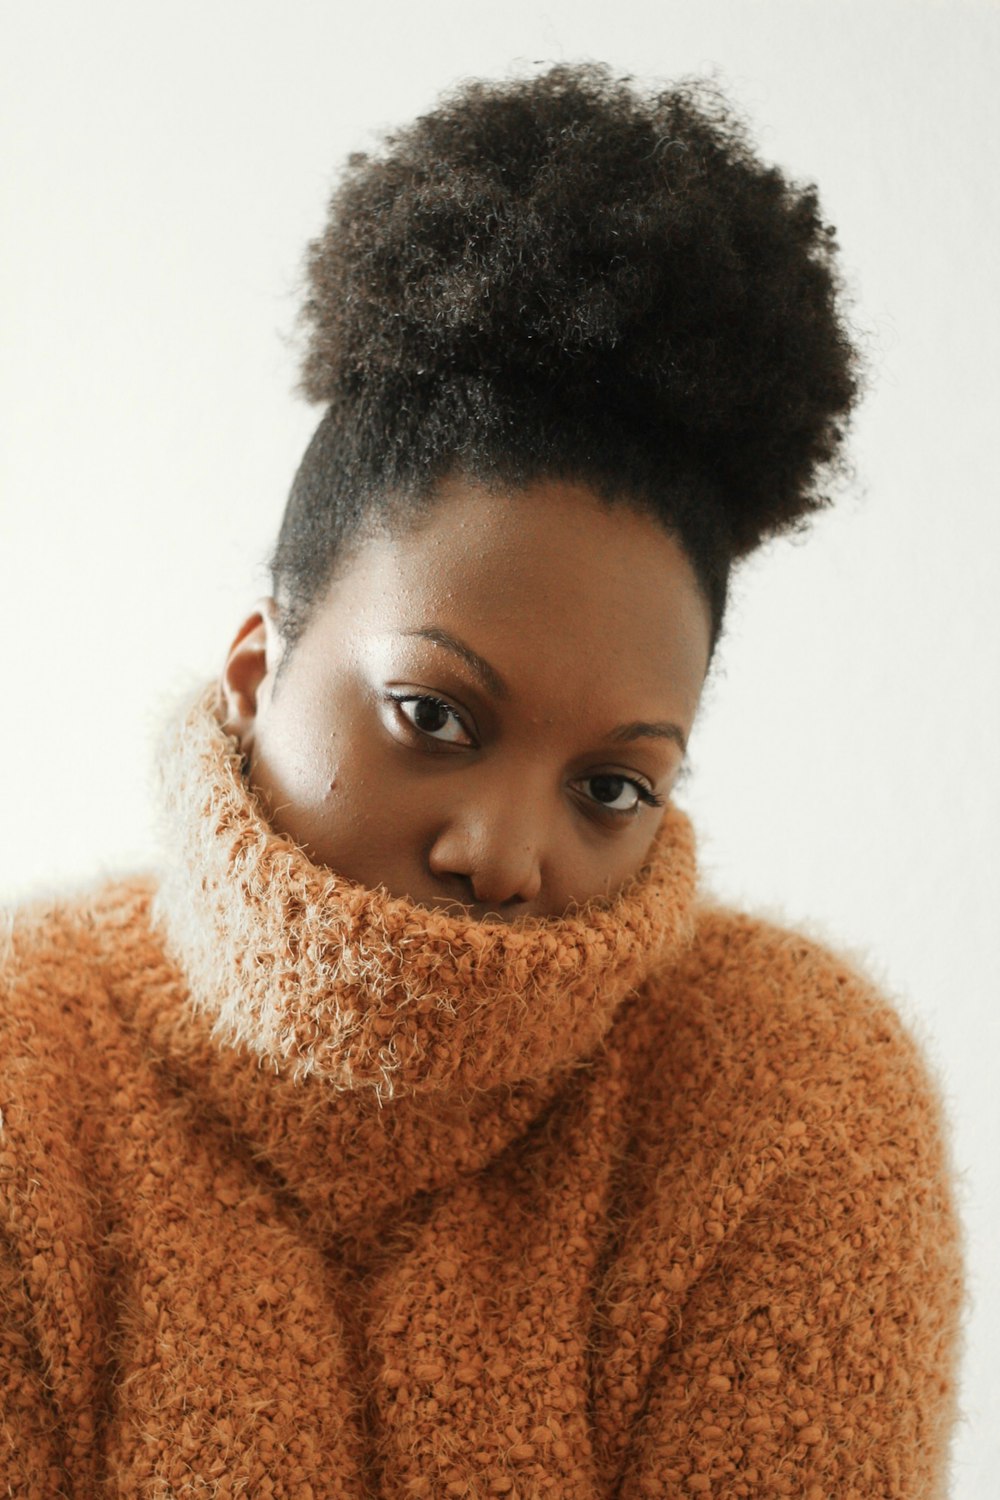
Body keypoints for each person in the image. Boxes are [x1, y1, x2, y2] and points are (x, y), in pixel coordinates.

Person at [1, 64, 963, 1497]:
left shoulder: (786, 1102)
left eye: (612, 790)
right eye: (434, 716)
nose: (506, 856)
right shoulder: (31, 1099)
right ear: (259, 668)